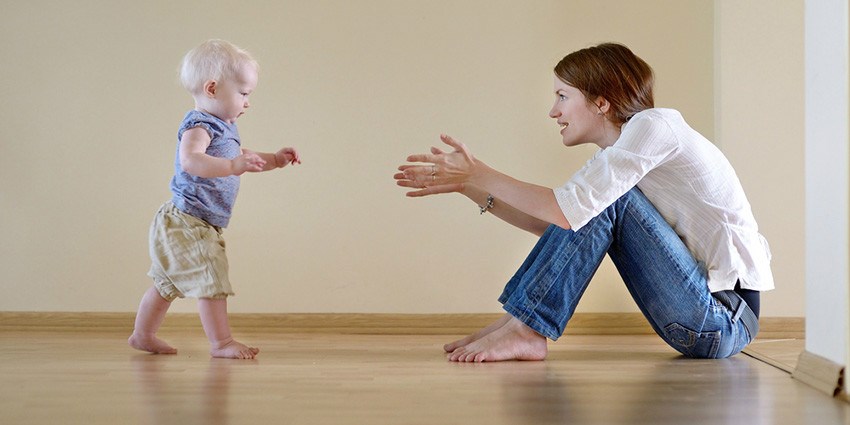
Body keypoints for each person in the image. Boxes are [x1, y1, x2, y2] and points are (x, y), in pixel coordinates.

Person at [395, 43, 773, 363]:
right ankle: (517, 323)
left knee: (593, 204)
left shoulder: (655, 126)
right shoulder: (620, 157)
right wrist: (468, 186)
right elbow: (563, 228)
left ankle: (526, 328)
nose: (553, 111)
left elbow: (567, 212)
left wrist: (479, 173)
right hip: (699, 320)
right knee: (585, 209)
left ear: (601, 102)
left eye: (563, 96)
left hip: (721, 318)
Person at [128, 39, 301, 359]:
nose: (248, 102)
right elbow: (191, 161)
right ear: (212, 88)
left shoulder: (226, 127)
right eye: (244, 93)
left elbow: (243, 156)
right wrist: (233, 166)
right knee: (212, 277)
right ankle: (221, 342)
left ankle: (143, 334)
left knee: (167, 284)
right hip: (187, 221)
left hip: (194, 221)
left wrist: (275, 159)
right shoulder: (199, 125)